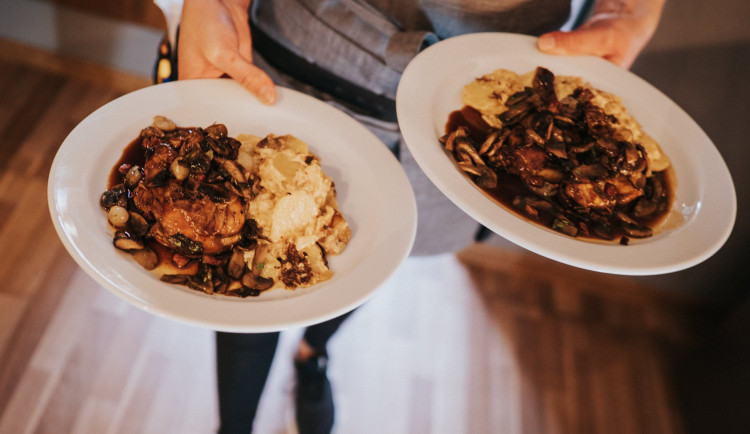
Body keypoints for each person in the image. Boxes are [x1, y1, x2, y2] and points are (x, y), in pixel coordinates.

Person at [176, 0, 666, 432]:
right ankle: (233, 426)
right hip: (308, 47)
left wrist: (632, 7)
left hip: (484, 97)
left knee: (373, 253)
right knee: (246, 275)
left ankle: (313, 355)